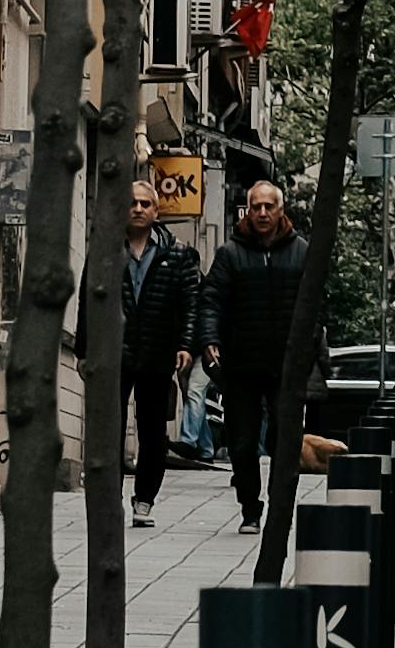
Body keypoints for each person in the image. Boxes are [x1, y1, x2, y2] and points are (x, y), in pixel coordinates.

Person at [203, 175, 305, 528]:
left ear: (281, 209)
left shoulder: (301, 252)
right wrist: (209, 339)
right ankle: (250, 506)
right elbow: (212, 299)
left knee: (283, 437)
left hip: (284, 364)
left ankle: (279, 504)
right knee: (242, 443)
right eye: (256, 206)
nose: (262, 213)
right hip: (242, 363)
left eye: (269, 206)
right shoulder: (230, 254)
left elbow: (312, 304)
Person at [125, 179, 203, 518]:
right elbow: (88, 297)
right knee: (108, 427)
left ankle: (145, 498)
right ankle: (108, 497)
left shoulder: (178, 253)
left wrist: (185, 345)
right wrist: (84, 349)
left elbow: (190, 304)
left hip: (158, 350)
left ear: (156, 211)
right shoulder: (107, 250)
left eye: (145, 203)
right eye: (133, 203)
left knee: (153, 429)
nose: (139, 208)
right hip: (116, 349)